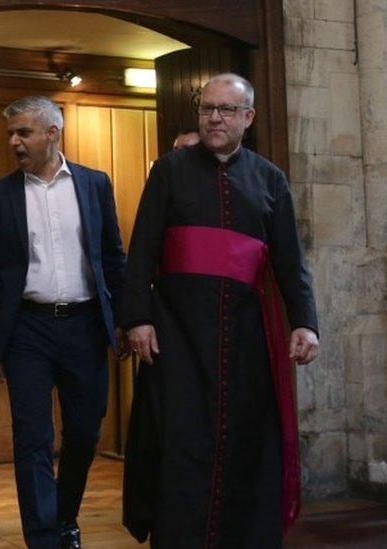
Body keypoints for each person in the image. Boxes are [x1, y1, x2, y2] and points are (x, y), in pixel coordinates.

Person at [121, 73, 319, 547]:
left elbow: (291, 261)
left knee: (245, 442)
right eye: (208, 108)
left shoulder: (270, 179)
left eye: (227, 110)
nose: (214, 117)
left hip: (245, 339)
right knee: (181, 442)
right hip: (178, 334)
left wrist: (305, 323)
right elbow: (142, 248)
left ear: (248, 117)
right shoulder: (169, 170)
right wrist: (138, 318)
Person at [0, 95, 126, 549]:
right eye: (11, 134)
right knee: (32, 438)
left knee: (84, 432)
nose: (15, 142)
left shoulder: (95, 184)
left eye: (24, 132)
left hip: (84, 326)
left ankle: (64, 517)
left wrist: (124, 318)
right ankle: (43, 539)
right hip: (27, 330)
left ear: (53, 133)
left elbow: (114, 258)